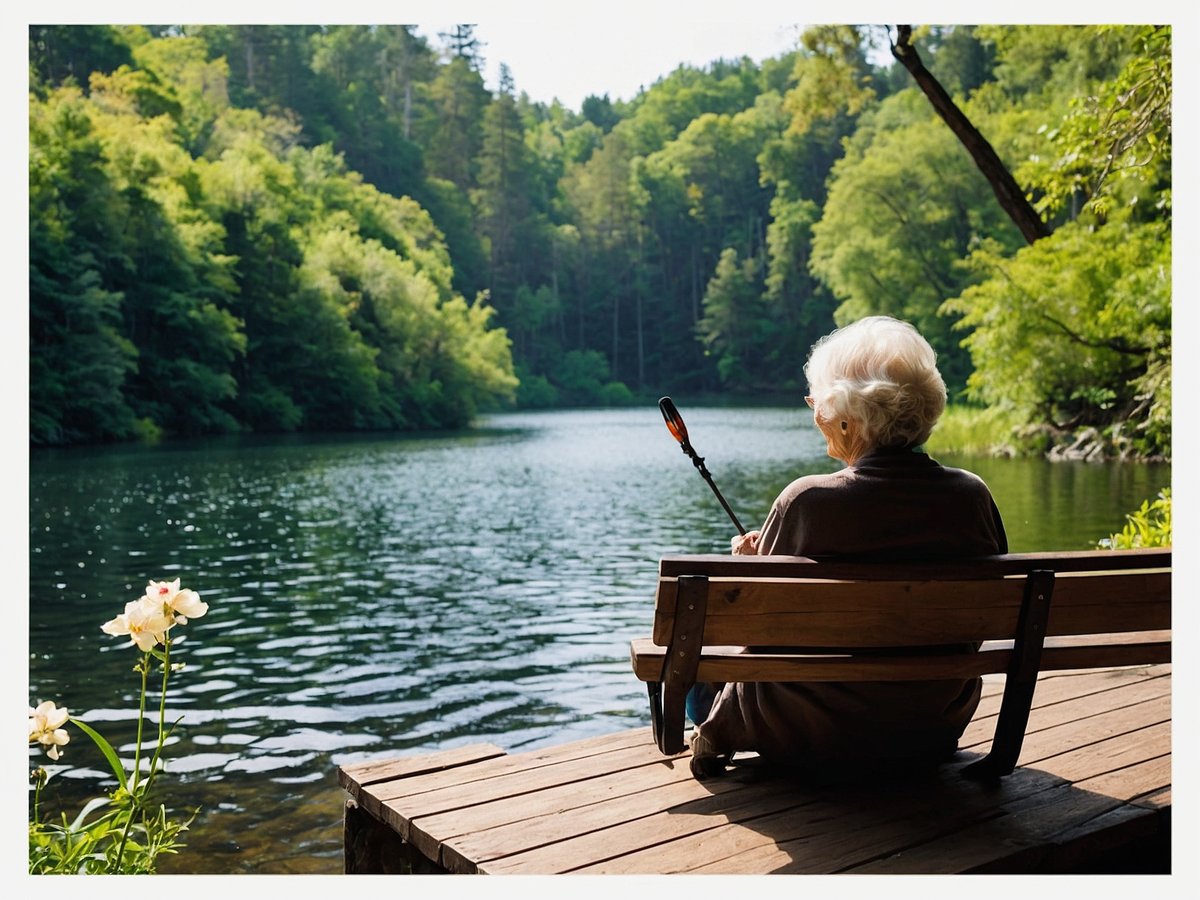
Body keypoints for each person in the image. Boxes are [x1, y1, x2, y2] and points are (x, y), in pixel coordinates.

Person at [688, 315, 1008, 779]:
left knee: (692, 653)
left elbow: (753, 632)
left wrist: (747, 568)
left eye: (816, 402)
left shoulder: (806, 501)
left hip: (803, 732)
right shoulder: (972, 496)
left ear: (846, 417)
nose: (814, 414)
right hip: (929, 725)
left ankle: (711, 734)